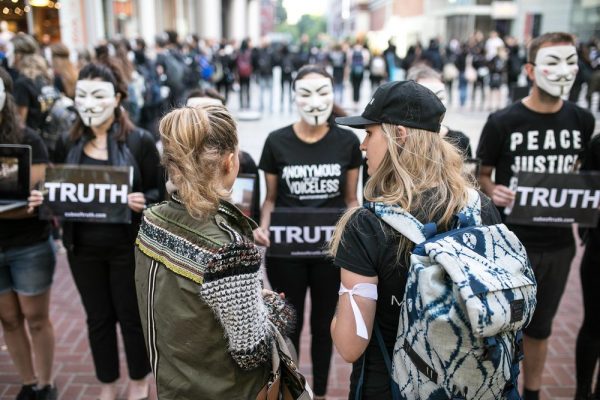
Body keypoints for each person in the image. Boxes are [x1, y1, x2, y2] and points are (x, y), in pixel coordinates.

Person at [329, 80, 501, 399]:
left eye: (369, 133)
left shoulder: (366, 225)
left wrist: (336, 314)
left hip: (389, 385)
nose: (363, 146)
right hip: (467, 381)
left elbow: (349, 345)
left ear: (399, 135)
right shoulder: (481, 209)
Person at [134, 104, 294, 398]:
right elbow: (252, 350)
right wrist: (275, 309)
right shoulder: (229, 247)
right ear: (230, 162)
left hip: (172, 383)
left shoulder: (151, 219)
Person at [475, 32, 595, 400]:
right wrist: (492, 189)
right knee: (503, 326)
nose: (564, 71)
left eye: (571, 61)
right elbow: (483, 175)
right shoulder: (502, 121)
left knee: (541, 329)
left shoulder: (583, 121)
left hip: (559, 246)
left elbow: (580, 174)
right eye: (553, 62)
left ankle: (532, 392)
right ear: (530, 69)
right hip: (511, 244)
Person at [52, 62, 159, 400]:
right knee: (97, 319)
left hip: (126, 247)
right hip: (82, 247)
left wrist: (145, 199)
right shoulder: (63, 142)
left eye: (99, 95)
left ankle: (139, 381)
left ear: (116, 99)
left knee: (130, 317)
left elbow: (160, 193)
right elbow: (58, 190)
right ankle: (107, 384)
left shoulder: (139, 140)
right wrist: (47, 197)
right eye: (82, 95)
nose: (89, 103)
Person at [255, 64, 362, 399]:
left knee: (323, 327)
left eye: (322, 92)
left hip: (330, 251)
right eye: (306, 93)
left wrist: (360, 232)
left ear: (333, 94)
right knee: (289, 325)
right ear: (293, 97)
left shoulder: (347, 141)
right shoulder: (276, 142)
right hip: (287, 252)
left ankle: (324, 391)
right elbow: (270, 199)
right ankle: (294, 389)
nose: (315, 101)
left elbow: (351, 199)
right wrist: (263, 228)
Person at [0, 67, 57, 400]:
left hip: (28, 245)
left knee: (36, 317)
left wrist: (34, 200)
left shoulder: (27, 139)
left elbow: (34, 202)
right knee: (8, 320)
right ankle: (27, 381)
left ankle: (46, 383)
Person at [575, 133, 600, 400]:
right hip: (598, 250)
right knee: (594, 325)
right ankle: (582, 392)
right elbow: (584, 190)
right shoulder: (598, 144)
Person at [406, 64, 472, 157]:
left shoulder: (460, 141)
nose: (435, 105)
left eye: (440, 97)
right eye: (427, 97)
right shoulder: (399, 140)